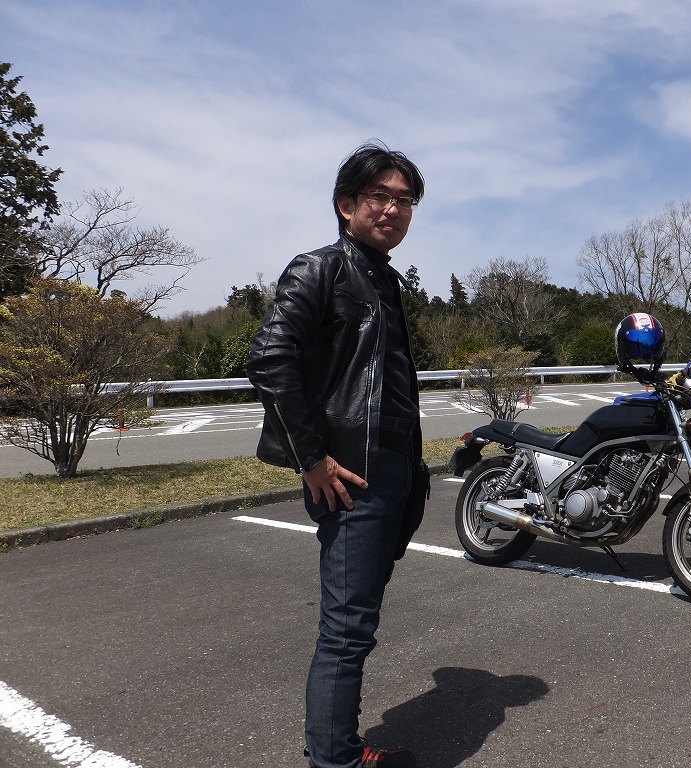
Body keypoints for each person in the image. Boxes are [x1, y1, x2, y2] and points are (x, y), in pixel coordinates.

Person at [247, 141, 429, 768]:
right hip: (353, 472)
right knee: (347, 630)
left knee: (358, 620)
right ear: (346, 205)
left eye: (405, 200)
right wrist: (312, 458)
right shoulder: (320, 268)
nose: (393, 209)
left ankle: (337, 748)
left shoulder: (385, 280)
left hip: (395, 470)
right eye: (380, 196)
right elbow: (270, 359)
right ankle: (336, 760)